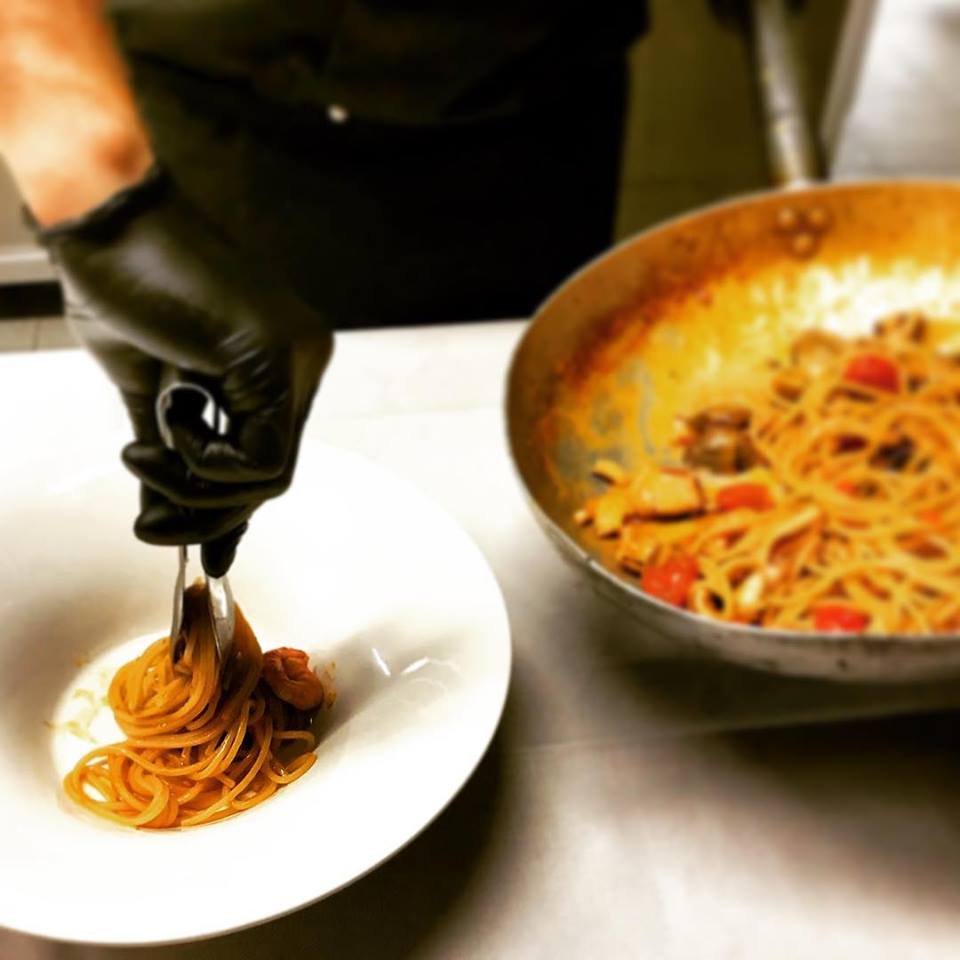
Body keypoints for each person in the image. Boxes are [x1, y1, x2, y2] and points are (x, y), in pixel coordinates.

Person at [0, 1, 648, 575]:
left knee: (524, 459)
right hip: (212, 92)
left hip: (527, 97)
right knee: (224, 458)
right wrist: (94, 185)